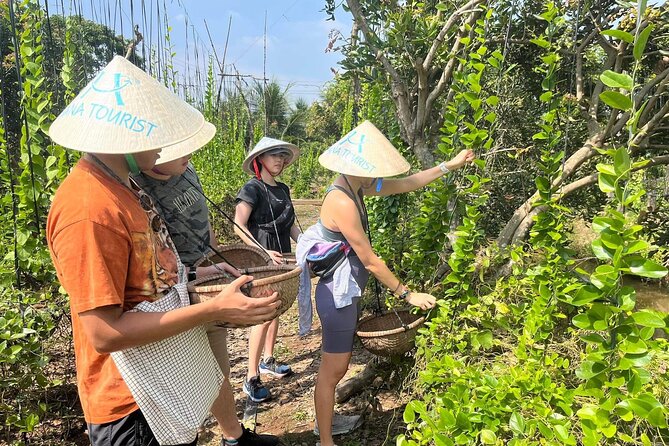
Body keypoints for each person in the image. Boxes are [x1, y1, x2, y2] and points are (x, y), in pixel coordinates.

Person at [46, 55, 280, 446]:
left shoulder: (125, 188)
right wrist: (213, 309)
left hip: (159, 381)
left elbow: (142, 281)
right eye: (158, 133)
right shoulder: (88, 209)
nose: (169, 145)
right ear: (126, 137)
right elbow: (103, 332)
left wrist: (189, 278)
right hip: (130, 403)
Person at [295, 120, 475, 446]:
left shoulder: (358, 186)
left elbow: (406, 183)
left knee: (336, 366)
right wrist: (407, 294)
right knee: (333, 369)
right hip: (336, 297)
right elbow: (370, 259)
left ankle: (327, 425)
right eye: (371, 170)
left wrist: (449, 165)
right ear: (353, 166)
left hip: (346, 294)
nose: (376, 177)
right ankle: (325, 440)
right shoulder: (342, 201)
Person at [133, 123, 280, 446]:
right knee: (185, 378)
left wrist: (214, 261)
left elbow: (204, 223)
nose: (187, 154)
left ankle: (233, 436)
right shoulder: (139, 188)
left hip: (207, 281)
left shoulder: (187, 169)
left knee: (218, 368)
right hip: (174, 292)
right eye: (176, 150)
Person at [233, 137, 301, 402]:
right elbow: (238, 224)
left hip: (281, 255)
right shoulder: (252, 188)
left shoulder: (283, 189)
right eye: (273, 154)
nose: (279, 159)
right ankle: (251, 377)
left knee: (277, 307)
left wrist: (306, 245)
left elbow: (291, 225)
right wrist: (261, 252)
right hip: (263, 258)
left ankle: (268, 360)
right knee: (262, 313)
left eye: (283, 155)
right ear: (259, 159)